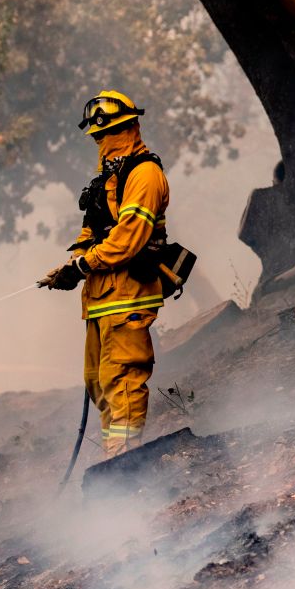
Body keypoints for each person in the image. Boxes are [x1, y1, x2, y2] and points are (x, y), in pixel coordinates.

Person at [39, 90, 169, 457]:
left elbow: (128, 238)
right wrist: (71, 265)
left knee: (122, 377)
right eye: (98, 136)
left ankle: (123, 456)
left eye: (109, 133)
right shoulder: (107, 180)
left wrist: (85, 264)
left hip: (129, 296)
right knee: (98, 381)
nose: (103, 141)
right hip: (101, 298)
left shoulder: (145, 175)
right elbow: (90, 232)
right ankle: (116, 454)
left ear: (130, 128)